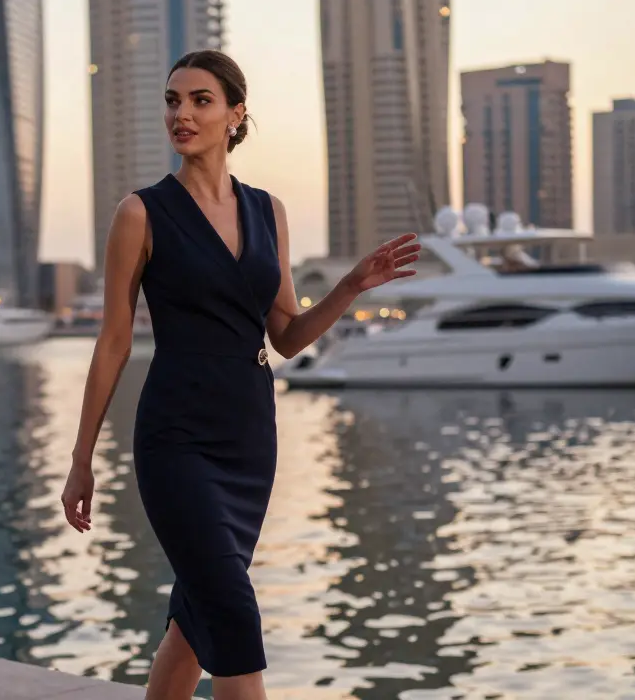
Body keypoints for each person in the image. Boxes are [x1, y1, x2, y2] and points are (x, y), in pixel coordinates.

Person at [60, 50, 420, 700]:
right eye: (173, 100)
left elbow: (284, 335)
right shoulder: (140, 215)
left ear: (235, 114)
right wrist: (82, 458)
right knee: (231, 612)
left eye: (200, 100)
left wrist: (349, 287)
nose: (182, 113)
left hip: (250, 439)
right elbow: (113, 342)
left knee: (197, 622)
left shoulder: (267, 211)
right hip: (176, 439)